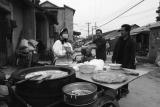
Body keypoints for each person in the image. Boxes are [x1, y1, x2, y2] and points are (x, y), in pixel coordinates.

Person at [112, 24, 136, 96]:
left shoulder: (132, 41)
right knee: (118, 76)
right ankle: (119, 89)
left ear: (127, 31)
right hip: (118, 62)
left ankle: (125, 90)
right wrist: (113, 58)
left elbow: (133, 54)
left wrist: (131, 65)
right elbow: (115, 49)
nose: (121, 32)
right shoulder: (119, 39)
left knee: (125, 77)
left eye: (123, 30)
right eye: (121, 30)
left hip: (126, 62)